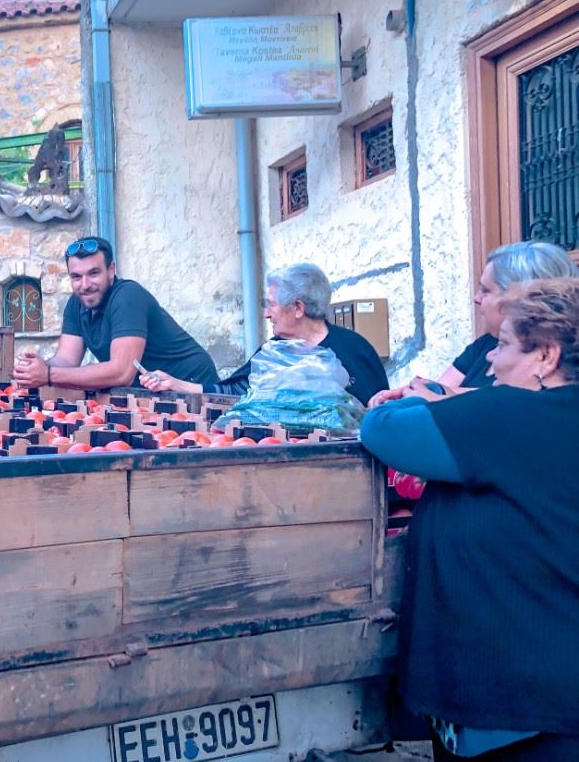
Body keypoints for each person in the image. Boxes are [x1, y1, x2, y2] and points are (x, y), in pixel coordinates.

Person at [360, 278, 579, 760]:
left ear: (545, 355)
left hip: (516, 704)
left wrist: (434, 397)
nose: (490, 362)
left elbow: (383, 428)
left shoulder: (507, 415)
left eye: (502, 345)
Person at [140, 263, 388, 406]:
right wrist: (175, 384)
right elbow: (234, 392)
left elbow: (380, 411)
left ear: (298, 308)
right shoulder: (272, 353)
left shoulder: (355, 349)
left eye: (271, 304)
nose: (267, 314)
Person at [369, 240, 576, 406]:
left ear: (518, 296)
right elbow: (437, 393)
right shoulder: (484, 346)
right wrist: (410, 393)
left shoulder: (562, 359)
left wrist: (438, 398)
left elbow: (525, 403)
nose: (477, 298)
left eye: (486, 290)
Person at [12, 236, 217, 390]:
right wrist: (34, 370)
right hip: (150, 392)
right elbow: (66, 360)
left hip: (191, 386)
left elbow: (121, 373)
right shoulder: (76, 303)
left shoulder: (128, 296)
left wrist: (48, 375)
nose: (85, 285)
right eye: (76, 276)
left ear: (111, 271)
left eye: (93, 273)